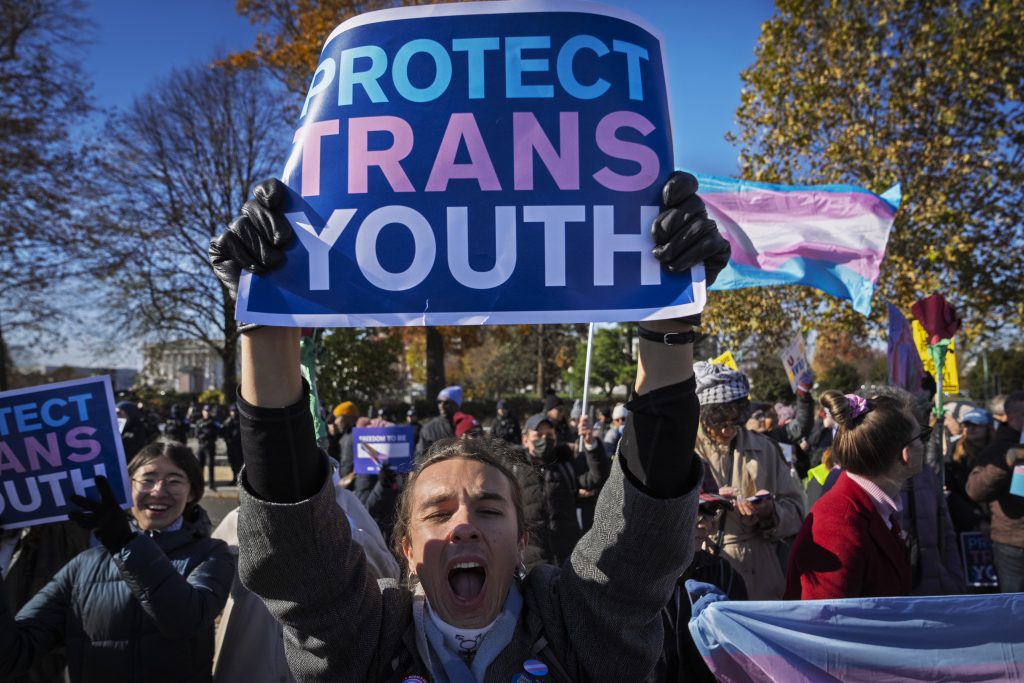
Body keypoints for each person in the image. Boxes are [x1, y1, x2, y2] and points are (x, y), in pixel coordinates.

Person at [205, 170, 729, 680]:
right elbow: (297, 551)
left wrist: (669, 321)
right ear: (406, 551)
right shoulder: (365, 640)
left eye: (489, 507)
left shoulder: (580, 628)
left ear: (523, 541)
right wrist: (267, 325)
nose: (464, 525)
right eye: (436, 511)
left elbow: (640, 540)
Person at [0, 442, 234, 681]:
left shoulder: (212, 553)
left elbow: (184, 620)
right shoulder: (83, 565)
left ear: (192, 493)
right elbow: (12, 655)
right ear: (127, 488)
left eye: (174, 481)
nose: (158, 491)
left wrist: (126, 544)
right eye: (147, 479)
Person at [212, 467, 400, 683]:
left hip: (323, 663)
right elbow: (211, 592)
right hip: (252, 666)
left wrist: (345, 535)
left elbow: (387, 574)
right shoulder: (240, 517)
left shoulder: (346, 503)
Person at [785, 391, 925, 599]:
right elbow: (825, 621)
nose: (925, 445)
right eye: (923, 436)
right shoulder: (837, 522)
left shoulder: (872, 507)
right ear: (905, 454)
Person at [693, 363, 807, 600]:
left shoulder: (764, 448)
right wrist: (707, 501)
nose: (728, 431)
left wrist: (770, 511)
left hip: (760, 575)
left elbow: (797, 512)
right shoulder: (685, 449)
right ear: (702, 414)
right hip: (699, 566)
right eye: (720, 423)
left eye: (735, 423)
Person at [966, 391, 1024, 593]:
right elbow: (974, 490)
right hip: (1013, 543)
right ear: (1009, 417)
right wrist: (1005, 462)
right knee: (1015, 609)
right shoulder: (998, 448)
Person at [416, 385, 461, 460]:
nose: (442, 405)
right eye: (439, 402)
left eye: (447, 402)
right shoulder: (428, 429)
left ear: (456, 404)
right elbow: (419, 458)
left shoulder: (470, 425)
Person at [194, 404, 221, 491]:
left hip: (210, 446)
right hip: (201, 446)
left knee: (210, 465)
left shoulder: (213, 422)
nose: (207, 413)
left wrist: (207, 433)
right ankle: (200, 483)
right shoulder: (199, 422)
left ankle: (211, 483)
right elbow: (196, 434)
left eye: (208, 411)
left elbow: (216, 433)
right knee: (200, 465)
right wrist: (205, 434)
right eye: (205, 411)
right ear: (202, 412)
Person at [221, 403, 244, 485]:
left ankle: (240, 480)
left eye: (234, 411)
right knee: (232, 462)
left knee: (240, 463)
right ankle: (235, 478)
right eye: (232, 411)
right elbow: (223, 432)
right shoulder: (228, 421)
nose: (233, 413)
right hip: (230, 446)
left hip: (239, 446)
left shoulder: (240, 421)